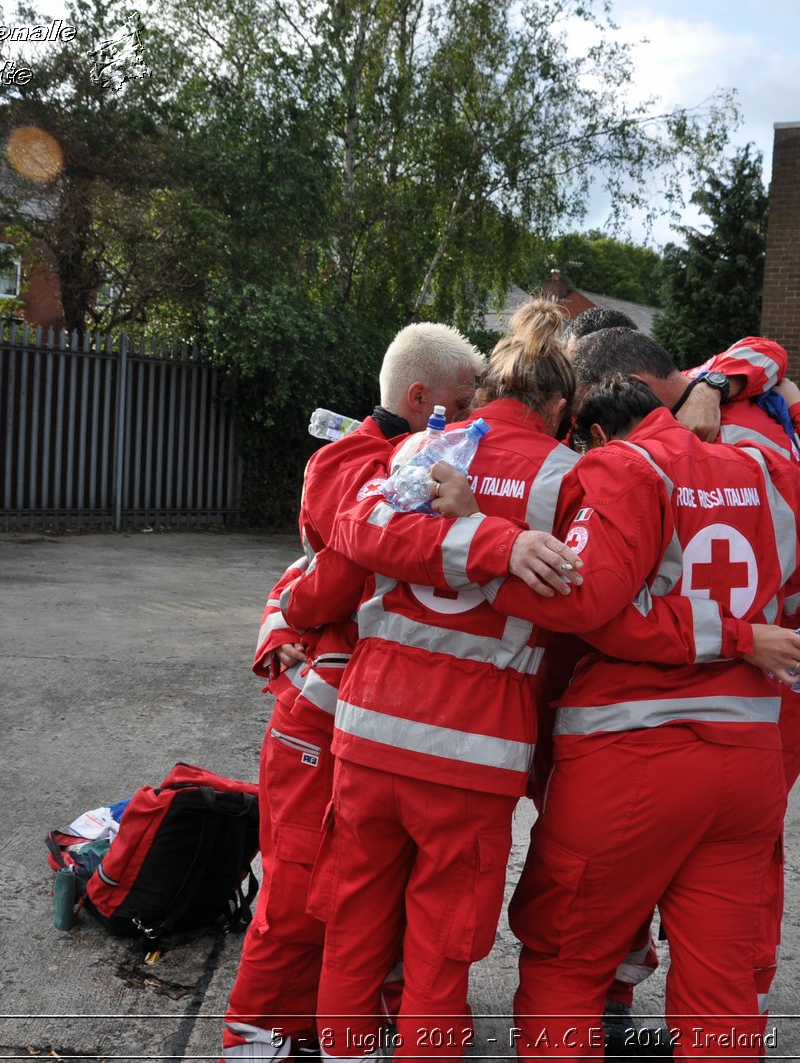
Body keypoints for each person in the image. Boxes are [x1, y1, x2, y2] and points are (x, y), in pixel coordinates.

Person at [278, 300, 583, 1062]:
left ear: (487, 393)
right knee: (439, 958)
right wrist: (493, 542)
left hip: (371, 734)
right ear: (557, 404)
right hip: (473, 758)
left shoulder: (420, 448)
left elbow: (352, 537)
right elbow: (585, 607)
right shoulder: (570, 477)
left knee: (352, 933)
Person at [568, 328, 800, 1011]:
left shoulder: (684, 445)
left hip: (768, 662)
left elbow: (594, 602)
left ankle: (642, 980)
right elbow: (772, 359)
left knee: (691, 838)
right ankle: (734, 996)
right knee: (733, 840)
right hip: (762, 667)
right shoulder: (714, 399)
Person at [221, 324, 483, 1062]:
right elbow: (330, 577)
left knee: (371, 894)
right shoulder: (354, 463)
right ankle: (258, 1041)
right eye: (463, 403)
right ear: (421, 397)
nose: (472, 420)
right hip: (324, 715)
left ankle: (357, 1025)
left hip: (379, 722)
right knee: (302, 889)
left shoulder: (419, 456)